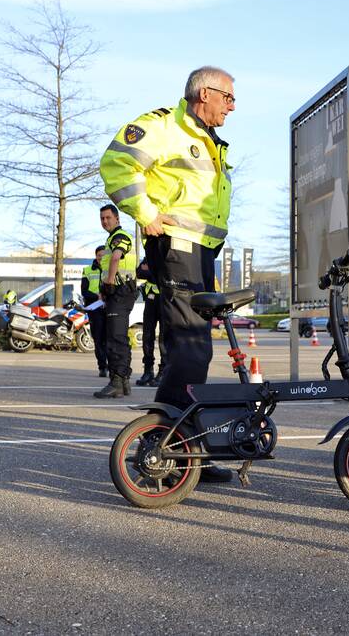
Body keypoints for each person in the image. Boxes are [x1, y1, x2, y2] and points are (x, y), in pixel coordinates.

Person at [100, 65, 236, 483]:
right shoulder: (162, 127)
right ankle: (163, 448)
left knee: (194, 350)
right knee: (191, 349)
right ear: (205, 94)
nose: (232, 106)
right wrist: (145, 213)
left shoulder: (208, 140)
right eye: (228, 97)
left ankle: (180, 448)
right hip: (177, 248)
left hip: (200, 253)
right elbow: (116, 164)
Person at [92, 205, 137, 398]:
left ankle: (117, 381)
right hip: (119, 292)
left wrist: (109, 282)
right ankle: (124, 381)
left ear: (117, 218)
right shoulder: (110, 239)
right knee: (119, 337)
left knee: (115, 338)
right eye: (102, 218)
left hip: (121, 291)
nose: (105, 221)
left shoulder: (121, 236)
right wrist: (104, 288)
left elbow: (116, 258)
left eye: (108, 218)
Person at [135, 257, 166, 387]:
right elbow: (139, 272)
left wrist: (150, 271)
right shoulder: (149, 255)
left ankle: (163, 372)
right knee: (147, 336)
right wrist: (156, 273)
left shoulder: (167, 255)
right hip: (150, 300)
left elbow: (167, 275)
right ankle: (148, 371)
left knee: (164, 339)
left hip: (165, 300)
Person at [81, 245, 108, 377]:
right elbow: (84, 291)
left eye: (104, 255)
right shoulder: (87, 270)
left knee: (108, 338)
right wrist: (97, 296)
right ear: (96, 256)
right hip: (94, 307)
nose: (101, 258)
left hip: (108, 307)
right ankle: (102, 367)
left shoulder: (110, 268)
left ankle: (111, 365)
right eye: (99, 255)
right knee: (98, 339)